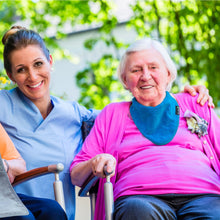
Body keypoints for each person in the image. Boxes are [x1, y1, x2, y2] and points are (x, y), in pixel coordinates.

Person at [0, 26, 212, 220]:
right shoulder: (3, 103)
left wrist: (184, 99)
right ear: (10, 75)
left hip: (55, 212)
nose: (33, 75)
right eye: (21, 69)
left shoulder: (75, 113)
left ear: (50, 62)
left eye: (38, 64)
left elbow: (140, 109)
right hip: (13, 206)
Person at [70, 38, 220, 220]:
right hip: (139, 199)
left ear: (169, 74)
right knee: (137, 213)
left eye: (153, 67)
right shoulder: (112, 114)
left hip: (205, 194)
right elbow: (76, 175)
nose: (145, 76)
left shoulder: (196, 103)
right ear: (125, 80)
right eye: (136, 70)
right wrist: (95, 162)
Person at [0, 123, 67, 220]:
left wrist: (5, 165)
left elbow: (20, 167)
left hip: (3, 195)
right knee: (23, 217)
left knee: (52, 210)